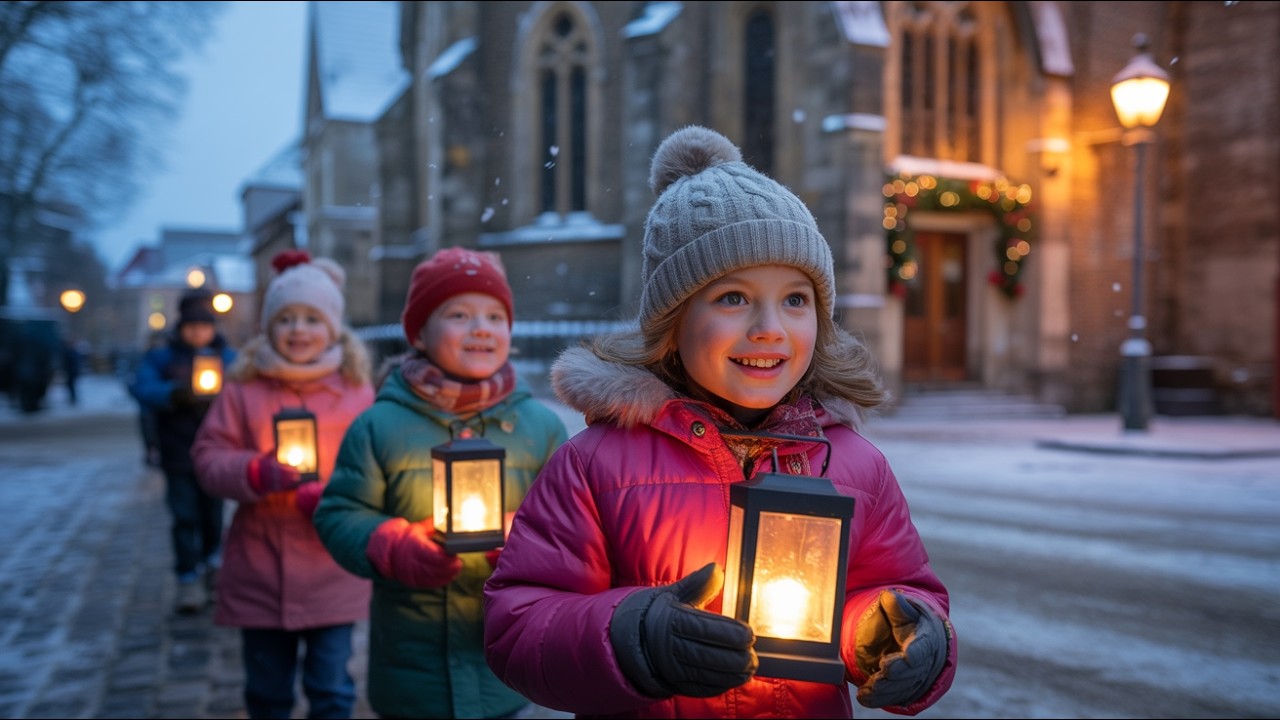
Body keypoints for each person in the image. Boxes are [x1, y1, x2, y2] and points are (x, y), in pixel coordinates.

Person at [483, 126, 957, 718]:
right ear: (672, 324)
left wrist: (892, 634)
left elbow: (891, 587)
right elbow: (518, 622)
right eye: (733, 298)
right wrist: (634, 636)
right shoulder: (595, 464)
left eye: (796, 299)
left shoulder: (857, 466)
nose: (770, 329)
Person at [312, 246, 570, 719]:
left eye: (495, 316)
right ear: (420, 335)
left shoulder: (541, 428)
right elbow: (338, 513)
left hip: (505, 668)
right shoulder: (379, 425)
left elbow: (572, 525)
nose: (481, 328)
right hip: (414, 672)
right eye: (459, 314)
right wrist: (392, 546)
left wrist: (526, 542)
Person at [191, 250, 375, 720]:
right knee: (267, 692)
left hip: (331, 569)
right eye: (286, 318)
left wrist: (338, 497)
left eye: (312, 319)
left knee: (330, 688)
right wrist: (254, 471)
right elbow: (208, 456)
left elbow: (376, 467)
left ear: (332, 327)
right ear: (268, 326)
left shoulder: (356, 391)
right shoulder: (244, 389)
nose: (298, 330)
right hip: (261, 566)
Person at [130, 288, 237, 614]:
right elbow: (141, 387)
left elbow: (245, 387)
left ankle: (212, 566)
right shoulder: (163, 357)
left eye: (204, 326)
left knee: (213, 514)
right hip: (177, 448)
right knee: (184, 515)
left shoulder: (227, 357)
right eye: (192, 327)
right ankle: (188, 577)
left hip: (217, 450)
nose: (198, 333)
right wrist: (174, 394)